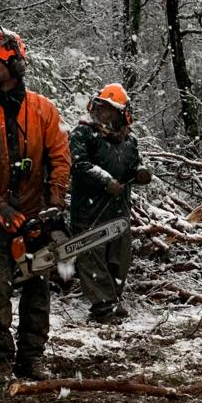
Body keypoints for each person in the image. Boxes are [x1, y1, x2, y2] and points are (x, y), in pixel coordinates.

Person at [0, 23, 71, 382]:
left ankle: (32, 356)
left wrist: (54, 202)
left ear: (14, 64)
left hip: (35, 210)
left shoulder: (43, 110)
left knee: (37, 288)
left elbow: (60, 158)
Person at [69, 83, 151, 323]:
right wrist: (105, 181)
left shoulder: (129, 140)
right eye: (102, 107)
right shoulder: (83, 133)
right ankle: (102, 307)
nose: (103, 113)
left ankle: (114, 299)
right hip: (89, 210)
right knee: (92, 260)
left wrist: (142, 172)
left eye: (110, 109)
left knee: (120, 260)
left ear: (121, 113)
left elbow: (135, 164)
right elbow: (79, 164)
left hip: (119, 210)